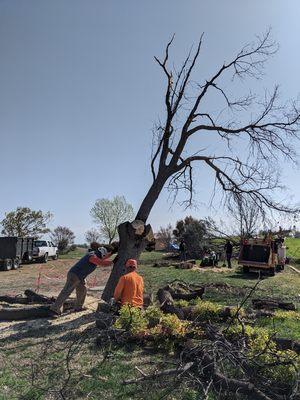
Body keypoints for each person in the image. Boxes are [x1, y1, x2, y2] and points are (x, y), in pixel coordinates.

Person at [50, 246, 113, 315]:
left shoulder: (95, 254)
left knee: (82, 291)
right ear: (103, 253)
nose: (106, 257)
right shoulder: (92, 256)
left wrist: (113, 252)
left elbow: (104, 258)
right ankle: (55, 308)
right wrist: (114, 261)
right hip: (75, 275)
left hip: (80, 277)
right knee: (66, 291)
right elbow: (102, 263)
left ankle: (78, 307)